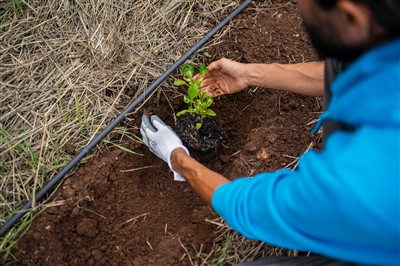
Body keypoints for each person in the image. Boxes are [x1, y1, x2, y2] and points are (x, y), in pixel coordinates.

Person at [140, 0, 400, 265]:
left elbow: (242, 206)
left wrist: (177, 157)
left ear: (351, 17)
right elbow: (341, 73)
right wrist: (249, 75)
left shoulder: (357, 186)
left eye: (305, 13)